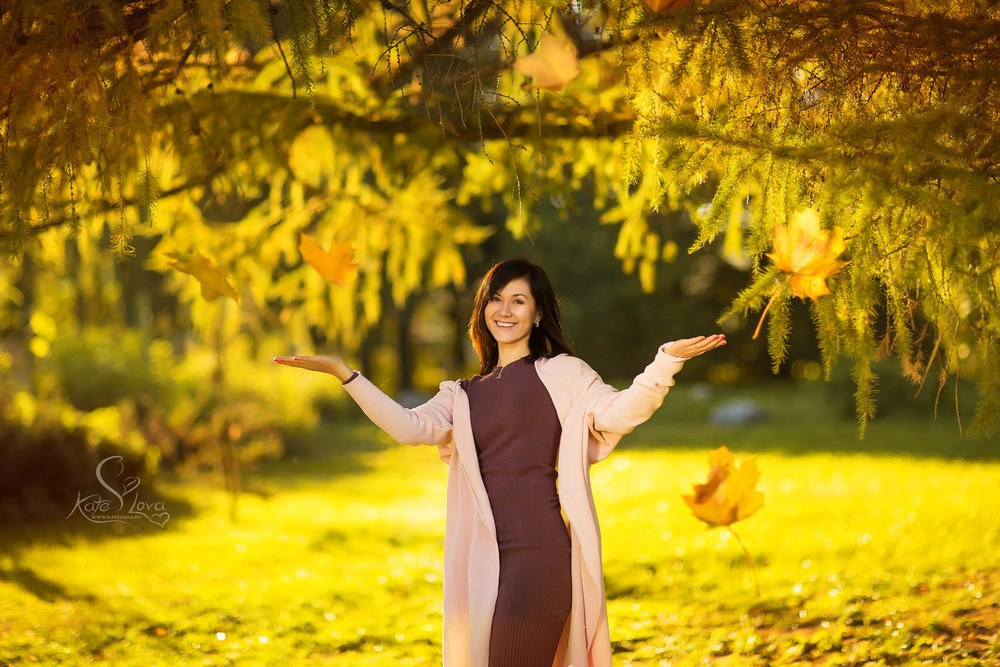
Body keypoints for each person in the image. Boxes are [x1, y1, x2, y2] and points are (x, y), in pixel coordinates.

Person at [274, 258, 726, 667]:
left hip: (540, 557)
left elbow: (620, 412)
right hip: (483, 563)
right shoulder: (462, 394)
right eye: (495, 299)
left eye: (518, 300)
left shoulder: (563, 373)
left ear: (538, 313)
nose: (505, 310)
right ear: (482, 311)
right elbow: (409, 428)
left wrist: (663, 365)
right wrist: (344, 374)